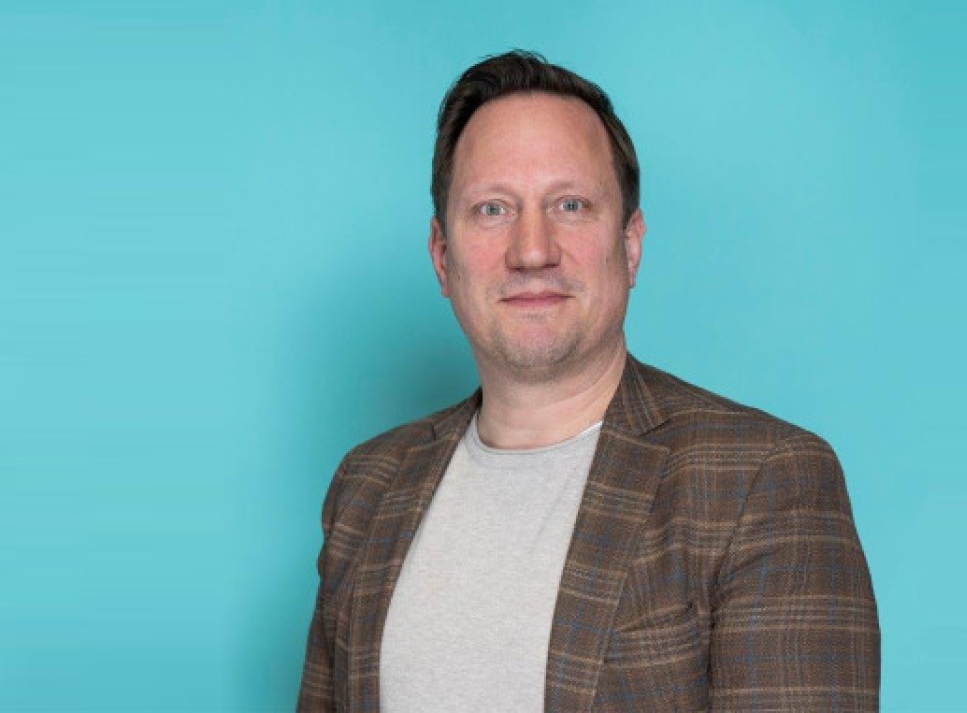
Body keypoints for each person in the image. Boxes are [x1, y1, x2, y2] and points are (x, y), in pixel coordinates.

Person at [297, 50, 879, 712]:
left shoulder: (764, 481)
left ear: (629, 246)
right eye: (492, 209)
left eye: (570, 205)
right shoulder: (366, 487)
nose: (532, 250)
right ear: (441, 256)